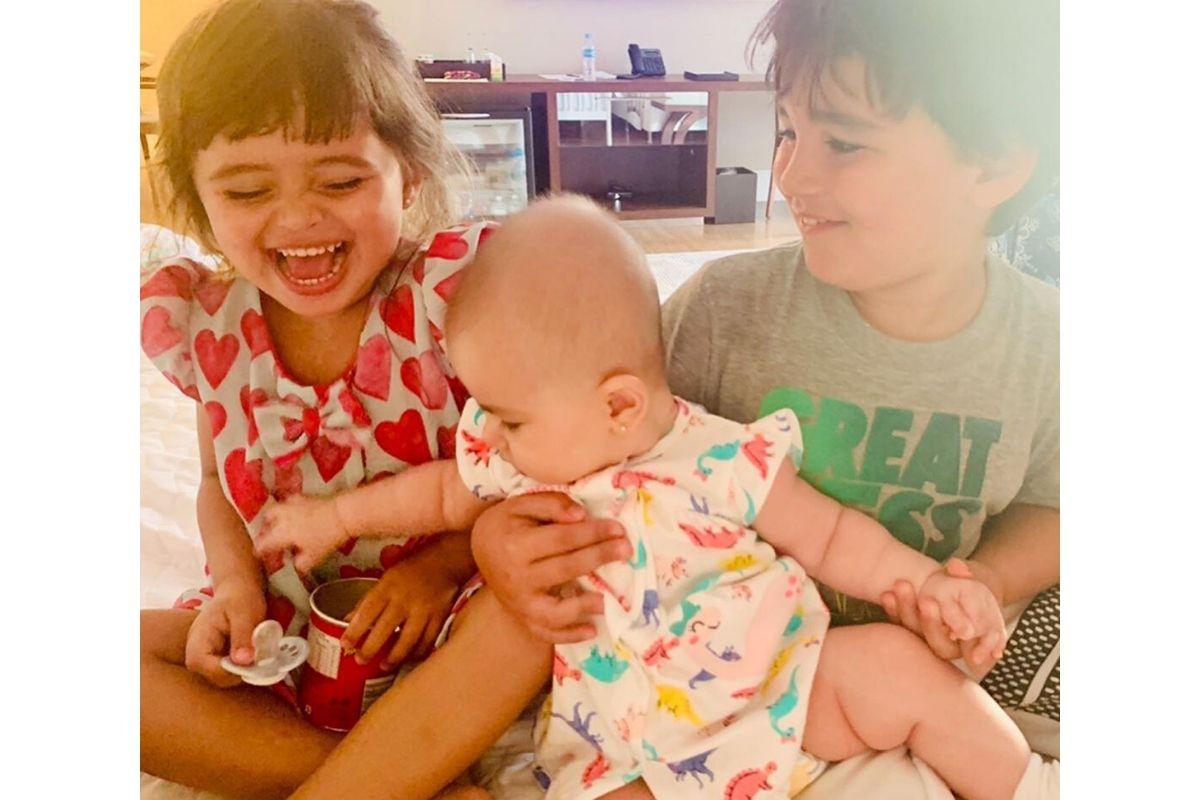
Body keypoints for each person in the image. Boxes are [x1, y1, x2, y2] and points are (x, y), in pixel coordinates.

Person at [258, 196, 1057, 800]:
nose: (488, 436)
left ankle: (1031, 786)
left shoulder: (721, 456)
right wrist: (333, 518)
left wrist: (926, 582)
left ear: (618, 406)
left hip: (783, 691)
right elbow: (438, 494)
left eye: (508, 418)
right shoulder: (532, 457)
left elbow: (833, 537)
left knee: (900, 669)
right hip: (626, 745)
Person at [468, 0, 1062, 761]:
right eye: (787, 131)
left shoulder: (1052, 346)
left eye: (844, 142)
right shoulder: (722, 311)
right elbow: (573, 447)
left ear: (994, 165)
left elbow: (1056, 504)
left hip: (894, 698)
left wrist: (984, 580)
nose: (791, 174)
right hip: (708, 690)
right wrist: (490, 541)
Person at [139, 2, 560, 798]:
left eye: (341, 180)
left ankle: (375, 771)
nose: (300, 217)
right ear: (198, 201)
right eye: (247, 189)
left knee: (531, 613)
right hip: (287, 620)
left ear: (411, 173)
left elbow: (531, 475)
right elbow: (215, 483)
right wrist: (235, 589)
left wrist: (442, 567)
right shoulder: (208, 327)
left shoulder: (453, 301)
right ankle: (396, 783)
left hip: (444, 615)